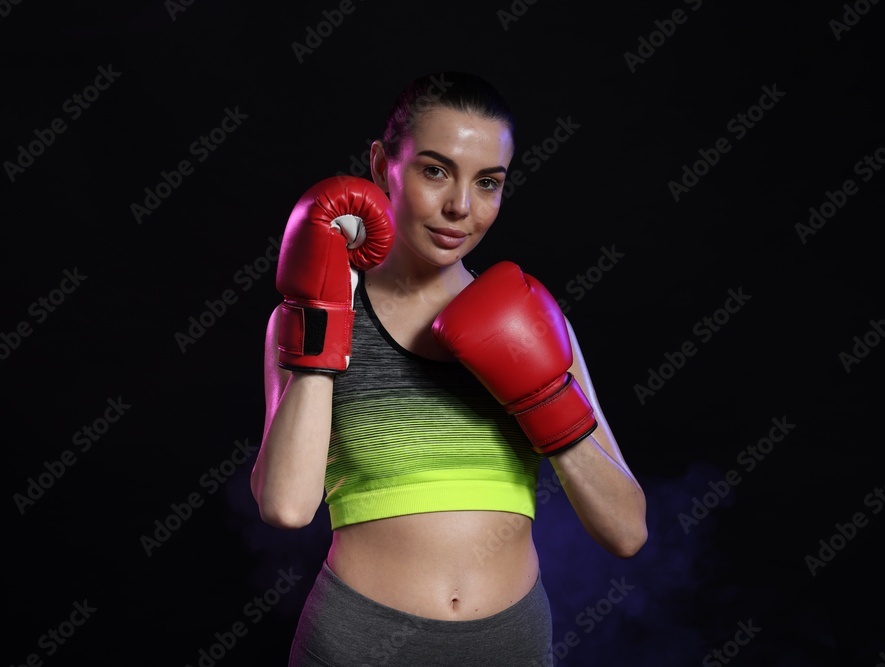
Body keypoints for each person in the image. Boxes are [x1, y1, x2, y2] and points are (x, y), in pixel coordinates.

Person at [250, 70, 648, 666]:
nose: (461, 206)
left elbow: (626, 532)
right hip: (357, 643)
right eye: (434, 170)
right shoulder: (313, 316)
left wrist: (541, 396)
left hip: (508, 647)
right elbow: (286, 507)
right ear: (384, 163)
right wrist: (328, 317)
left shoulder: (534, 318)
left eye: (488, 182)